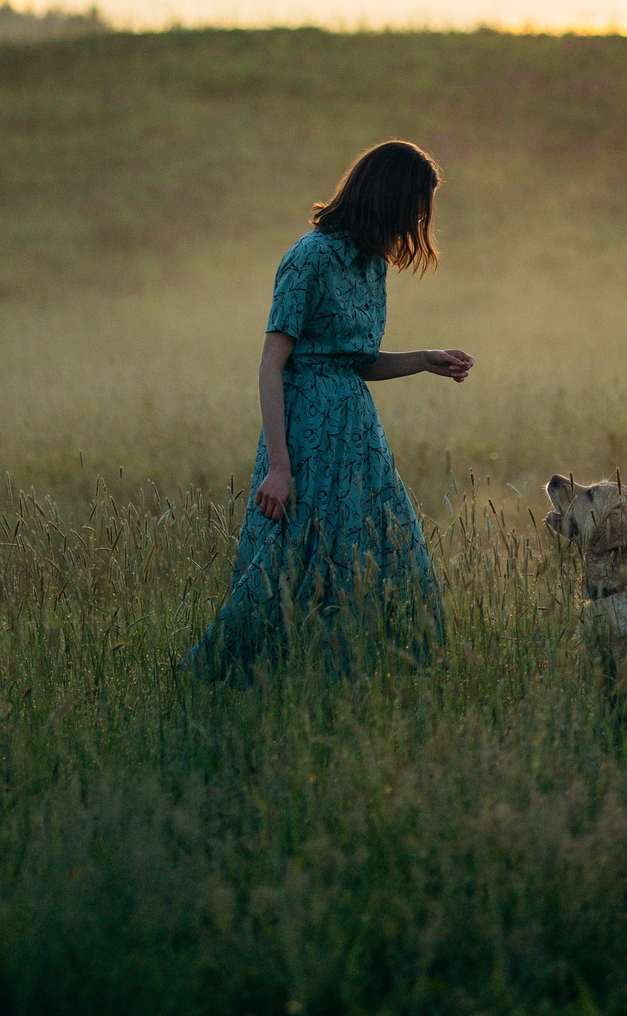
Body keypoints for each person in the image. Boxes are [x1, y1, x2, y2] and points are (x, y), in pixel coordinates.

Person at [185, 140, 472, 680]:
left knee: (386, 557)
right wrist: (279, 466)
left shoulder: (371, 266)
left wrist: (424, 360)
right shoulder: (309, 258)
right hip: (305, 436)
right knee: (291, 561)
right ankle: (245, 683)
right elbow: (273, 365)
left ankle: (371, 676)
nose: (415, 221)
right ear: (386, 198)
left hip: (358, 436)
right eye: (412, 207)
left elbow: (355, 362)